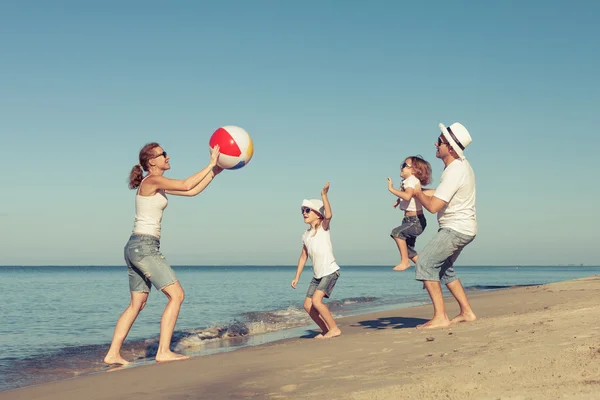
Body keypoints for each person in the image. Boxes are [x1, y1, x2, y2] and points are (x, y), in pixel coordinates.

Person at [103, 142, 222, 365]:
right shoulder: (152, 180)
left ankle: (112, 354)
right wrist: (210, 164)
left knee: (136, 304)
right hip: (144, 247)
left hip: (136, 247)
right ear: (152, 162)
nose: (168, 156)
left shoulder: (157, 184)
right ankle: (163, 351)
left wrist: (215, 171)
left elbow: (193, 191)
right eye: (163, 154)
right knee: (176, 295)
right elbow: (187, 184)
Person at [411, 122, 477, 329]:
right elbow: (439, 195)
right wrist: (413, 195)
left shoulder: (454, 171)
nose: (435, 143)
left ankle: (440, 317)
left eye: (439, 141)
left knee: (425, 263)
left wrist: (417, 191)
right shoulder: (459, 168)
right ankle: (467, 312)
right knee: (444, 269)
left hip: (456, 229)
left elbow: (433, 206)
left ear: (449, 147)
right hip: (464, 228)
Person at [291, 182, 342, 339]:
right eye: (302, 211)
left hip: (330, 271)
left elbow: (329, 215)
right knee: (307, 305)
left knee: (317, 301)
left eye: (307, 210)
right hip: (318, 275)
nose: (304, 213)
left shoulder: (323, 228)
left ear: (317, 214)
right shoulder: (305, 235)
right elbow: (303, 257)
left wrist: (324, 196)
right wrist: (297, 277)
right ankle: (325, 330)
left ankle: (334, 328)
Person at [387, 155, 432, 271]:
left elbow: (407, 196)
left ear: (414, 170)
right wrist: (398, 201)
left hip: (415, 221)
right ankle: (425, 270)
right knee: (409, 250)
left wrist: (392, 189)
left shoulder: (411, 181)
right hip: (410, 220)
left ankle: (404, 261)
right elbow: (408, 196)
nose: (401, 167)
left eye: (404, 165)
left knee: (396, 233)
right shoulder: (407, 181)